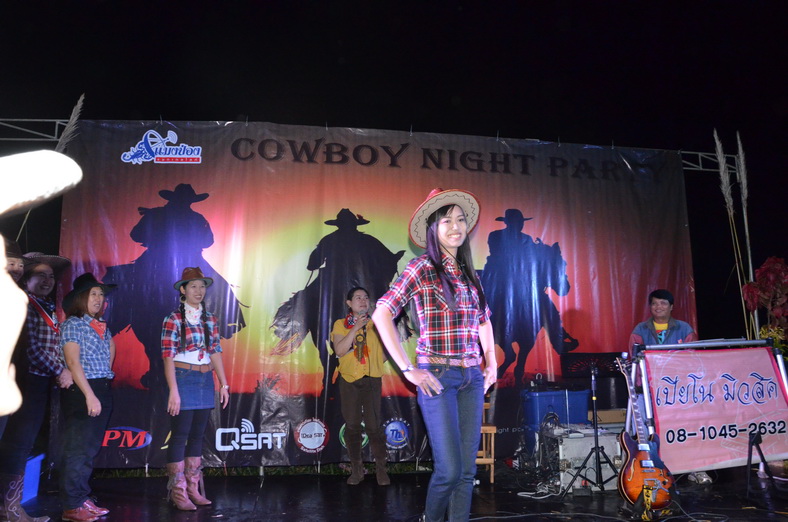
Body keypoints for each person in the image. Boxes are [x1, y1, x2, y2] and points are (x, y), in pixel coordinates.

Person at [372, 188, 497, 522]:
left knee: (467, 472)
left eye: (460, 219)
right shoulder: (421, 268)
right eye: (446, 221)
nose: (456, 226)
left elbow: (484, 320)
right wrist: (407, 368)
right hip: (437, 377)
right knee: (449, 470)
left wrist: (492, 363)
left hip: (472, 378)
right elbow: (381, 313)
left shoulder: (471, 274)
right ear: (433, 228)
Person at [0, 252, 73, 522]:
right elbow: (31, 349)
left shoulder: (46, 306)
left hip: (40, 381)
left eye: (51, 276)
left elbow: (52, 346)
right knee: (18, 444)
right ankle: (9, 510)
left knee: (23, 444)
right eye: (40, 275)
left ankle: (10, 507)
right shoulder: (26, 304)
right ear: (27, 279)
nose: (47, 280)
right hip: (27, 380)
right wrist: (60, 370)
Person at [161, 267, 229, 511]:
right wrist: (173, 390)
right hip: (183, 377)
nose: (199, 291)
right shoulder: (173, 319)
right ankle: (178, 491)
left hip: (204, 378)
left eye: (202, 286)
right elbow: (167, 356)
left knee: (198, 436)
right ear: (183, 290)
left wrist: (223, 383)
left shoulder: (210, 318)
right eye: (193, 286)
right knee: (180, 435)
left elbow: (215, 351)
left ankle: (193, 488)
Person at [628, 289, 710, 484]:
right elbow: (634, 359)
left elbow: (692, 358)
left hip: (678, 391)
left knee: (688, 430)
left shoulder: (684, 329)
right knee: (647, 432)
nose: (658, 307)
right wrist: (641, 387)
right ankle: (650, 472)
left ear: (671, 307)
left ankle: (695, 469)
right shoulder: (640, 330)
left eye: (663, 303)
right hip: (648, 391)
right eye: (654, 303)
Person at [58, 273, 117, 522]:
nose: (98, 298)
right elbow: (72, 362)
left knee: (89, 450)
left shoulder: (100, 325)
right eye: (93, 294)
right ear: (81, 298)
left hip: (100, 386)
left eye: (101, 294)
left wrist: (103, 378)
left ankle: (81, 498)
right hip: (83, 391)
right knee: (78, 449)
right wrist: (90, 395)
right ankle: (71, 506)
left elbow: (110, 349)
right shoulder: (73, 324)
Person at [330, 287, 389, 486]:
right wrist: (355, 328)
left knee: (374, 426)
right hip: (349, 380)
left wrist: (377, 358)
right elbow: (339, 350)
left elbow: (386, 353)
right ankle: (357, 470)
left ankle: (381, 470)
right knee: (352, 425)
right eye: (358, 298)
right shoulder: (340, 324)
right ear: (349, 303)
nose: (363, 301)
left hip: (372, 380)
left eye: (366, 297)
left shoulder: (378, 324)